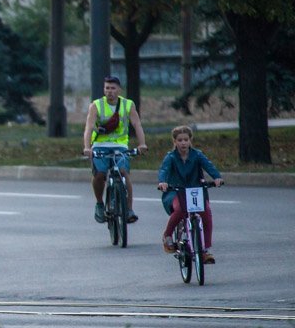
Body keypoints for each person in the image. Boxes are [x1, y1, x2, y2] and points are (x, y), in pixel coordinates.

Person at [82, 75, 148, 224]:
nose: (110, 91)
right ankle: (99, 203)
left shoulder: (128, 104)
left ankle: (129, 209)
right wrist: (87, 148)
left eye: (113, 88)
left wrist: (142, 144)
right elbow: (89, 127)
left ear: (119, 89)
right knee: (99, 174)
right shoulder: (96, 105)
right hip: (100, 145)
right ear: (104, 89)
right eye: (107, 88)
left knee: (124, 173)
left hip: (120, 145)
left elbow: (137, 124)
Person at [157, 125, 223, 263]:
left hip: (195, 191)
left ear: (190, 140)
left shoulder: (197, 155)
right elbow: (164, 170)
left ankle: (204, 250)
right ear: (174, 141)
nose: (183, 143)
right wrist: (163, 182)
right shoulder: (171, 157)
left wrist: (217, 177)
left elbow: (209, 166)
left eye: (186, 139)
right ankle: (167, 235)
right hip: (176, 191)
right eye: (180, 140)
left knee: (206, 212)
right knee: (180, 209)